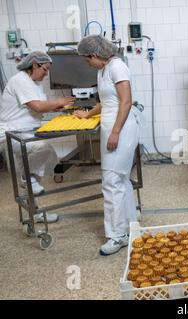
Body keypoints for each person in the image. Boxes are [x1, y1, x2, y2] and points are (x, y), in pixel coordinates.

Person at [75, 35, 140, 256]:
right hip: (113, 128)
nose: (87, 63)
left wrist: (115, 132)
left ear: (94, 55)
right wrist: (87, 114)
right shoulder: (103, 69)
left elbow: (126, 101)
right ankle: (131, 226)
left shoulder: (117, 67)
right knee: (120, 179)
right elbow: (106, 101)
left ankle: (116, 236)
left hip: (120, 130)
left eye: (87, 60)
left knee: (111, 182)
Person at [0, 51, 76, 223]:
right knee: (43, 150)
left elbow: (38, 106)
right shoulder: (20, 80)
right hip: (14, 134)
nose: (46, 73)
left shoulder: (34, 84)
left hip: (27, 132)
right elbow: (37, 106)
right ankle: (26, 179)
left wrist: (53, 107)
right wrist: (58, 102)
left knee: (34, 177)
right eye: (45, 69)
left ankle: (35, 214)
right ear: (35, 65)